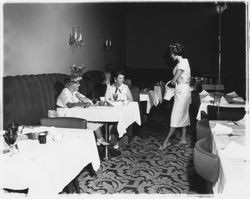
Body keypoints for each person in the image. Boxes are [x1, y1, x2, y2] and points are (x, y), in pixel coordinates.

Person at [56, 76, 109, 146]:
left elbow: (84, 98)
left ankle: (99, 139)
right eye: (77, 83)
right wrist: (82, 104)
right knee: (90, 121)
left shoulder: (74, 92)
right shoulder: (65, 91)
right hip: (64, 115)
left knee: (93, 120)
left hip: (72, 113)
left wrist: (88, 101)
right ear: (71, 84)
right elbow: (69, 104)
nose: (79, 85)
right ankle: (97, 140)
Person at [159, 42, 191, 150]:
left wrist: (166, 85)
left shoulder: (182, 63)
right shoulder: (181, 63)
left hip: (182, 91)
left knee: (175, 116)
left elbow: (173, 81)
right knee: (183, 114)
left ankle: (166, 142)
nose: (170, 56)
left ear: (174, 53)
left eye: (171, 54)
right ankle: (183, 139)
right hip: (182, 90)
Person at [104, 70, 133, 149]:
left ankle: (117, 141)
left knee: (118, 121)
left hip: (122, 109)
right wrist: (107, 87)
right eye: (120, 78)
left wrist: (124, 102)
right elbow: (106, 99)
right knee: (109, 121)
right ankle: (108, 136)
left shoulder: (125, 87)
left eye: (123, 79)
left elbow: (131, 99)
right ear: (115, 79)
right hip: (113, 109)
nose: (122, 80)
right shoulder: (111, 87)